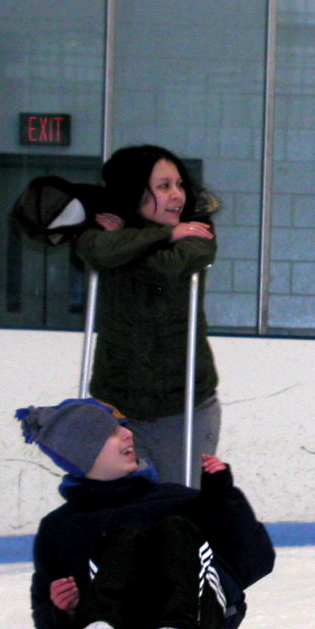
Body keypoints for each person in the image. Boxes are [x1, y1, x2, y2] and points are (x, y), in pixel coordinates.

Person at [17, 398, 275, 629]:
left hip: (194, 623)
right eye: (112, 432)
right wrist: (64, 608)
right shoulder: (61, 527)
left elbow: (255, 560)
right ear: (85, 453)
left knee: (176, 530)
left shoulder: (176, 500)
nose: (128, 434)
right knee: (124, 539)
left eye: (123, 428)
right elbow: (45, 620)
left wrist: (224, 499)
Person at [76, 144, 221, 486]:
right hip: (117, 401)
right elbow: (91, 248)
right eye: (163, 186)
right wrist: (164, 233)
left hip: (185, 401)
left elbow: (165, 267)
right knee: (122, 507)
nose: (177, 195)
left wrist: (125, 243)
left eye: (179, 184)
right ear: (134, 192)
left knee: (179, 504)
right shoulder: (105, 232)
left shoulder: (198, 231)